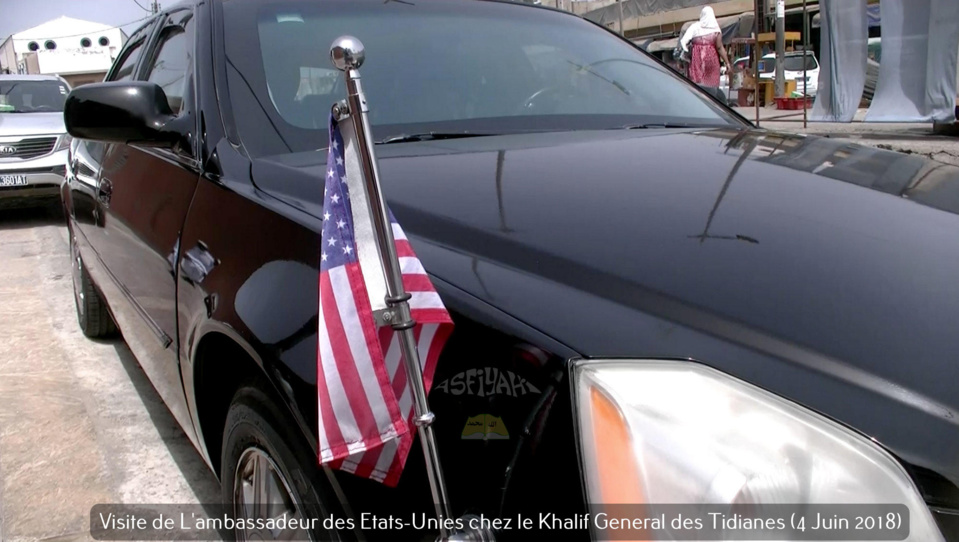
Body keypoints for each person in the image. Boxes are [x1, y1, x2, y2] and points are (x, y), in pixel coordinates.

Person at [680, 6, 731, 88]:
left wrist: (688, 51)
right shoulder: (716, 29)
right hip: (712, 61)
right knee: (712, 86)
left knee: (697, 86)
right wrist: (727, 63)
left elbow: (684, 41)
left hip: (696, 62)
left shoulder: (695, 27)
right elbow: (719, 47)